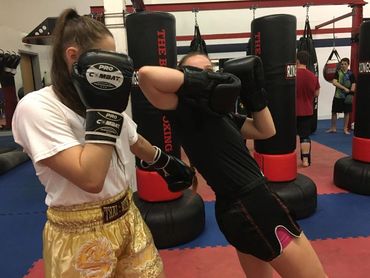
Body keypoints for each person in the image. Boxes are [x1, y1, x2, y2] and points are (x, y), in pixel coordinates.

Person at [11, 9, 195, 278]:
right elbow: (90, 177)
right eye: (106, 58)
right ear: (73, 57)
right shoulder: (37, 108)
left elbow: (131, 137)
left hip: (127, 216)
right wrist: (103, 109)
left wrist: (164, 161)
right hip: (79, 233)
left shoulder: (95, 103)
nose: (114, 68)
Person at [138, 52, 327, 278]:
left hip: (242, 209)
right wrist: (203, 83)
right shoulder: (184, 110)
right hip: (252, 207)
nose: (209, 77)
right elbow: (146, 75)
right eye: (198, 73)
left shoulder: (223, 115)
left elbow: (266, 130)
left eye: (211, 71)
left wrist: (254, 95)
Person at [296, 50, 320, 167]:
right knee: (305, 136)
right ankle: (305, 160)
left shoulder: (292, 75)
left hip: (292, 111)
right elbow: (317, 94)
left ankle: (287, 158)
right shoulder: (313, 76)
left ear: (297, 61)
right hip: (307, 110)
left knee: (288, 136)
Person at [326, 57, 356, 135]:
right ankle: (333, 128)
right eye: (342, 64)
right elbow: (334, 82)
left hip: (347, 96)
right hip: (338, 95)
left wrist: (351, 93)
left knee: (347, 112)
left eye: (345, 64)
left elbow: (353, 84)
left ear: (348, 65)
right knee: (334, 112)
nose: (343, 65)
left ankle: (345, 129)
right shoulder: (338, 73)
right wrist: (344, 88)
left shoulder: (351, 74)